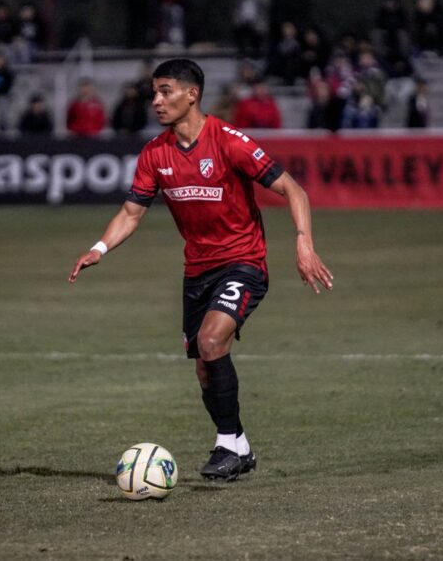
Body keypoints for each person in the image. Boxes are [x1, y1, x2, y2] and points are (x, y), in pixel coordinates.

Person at [68, 59, 333, 481]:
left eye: (166, 91)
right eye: (155, 92)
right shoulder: (155, 153)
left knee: (211, 340)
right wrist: (100, 247)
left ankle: (226, 444)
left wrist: (303, 241)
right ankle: (239, 445)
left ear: (192, 94)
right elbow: (131, 213)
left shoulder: (230, 142)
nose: (156, 100)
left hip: (244, 264)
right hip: (198, 272)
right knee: (204, 365)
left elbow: (292, 188)